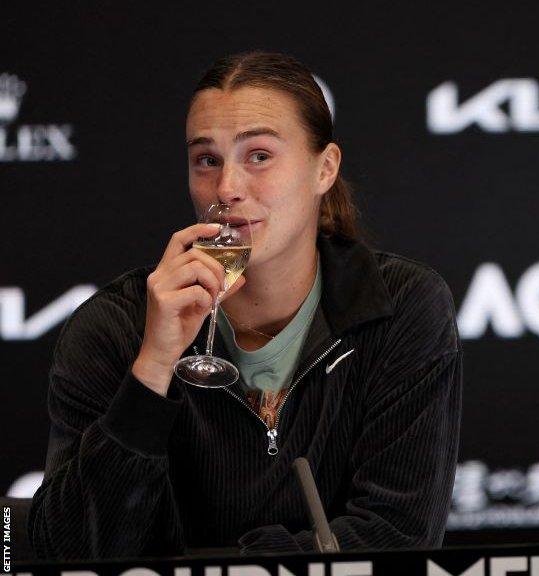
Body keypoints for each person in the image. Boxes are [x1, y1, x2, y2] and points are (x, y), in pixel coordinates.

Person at [28, 51, 462, 560]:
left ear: (325, 168)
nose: (227, 188)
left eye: (258, 156)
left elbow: (398, 538)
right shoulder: (113, 327)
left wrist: (215, 564)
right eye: (207, 160)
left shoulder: (401, 306)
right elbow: (70, 554)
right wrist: (153, 367)